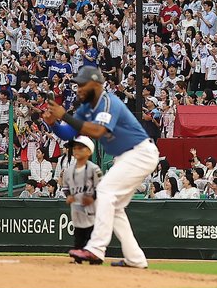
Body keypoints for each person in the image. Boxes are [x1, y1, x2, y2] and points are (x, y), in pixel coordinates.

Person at [43, 65, 159, 268]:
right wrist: (54, 123)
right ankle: (136, 259)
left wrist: (64, 115)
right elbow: (70, 134)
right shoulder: (86, 108)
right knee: (115, 208)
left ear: (96, 85)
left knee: (104, 191)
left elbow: (97, 131)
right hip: (126, 156)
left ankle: (95, 249)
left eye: (82, 84)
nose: (78, 88)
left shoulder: (108, 101)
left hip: (140, 152)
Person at [60, 135, 100, 252]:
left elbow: (101, 188)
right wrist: (68, 196)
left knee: (92, 238)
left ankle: (95, 259)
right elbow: (66, 187)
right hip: (77, 209)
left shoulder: (94, 169)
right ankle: (78, 260)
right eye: (75, 148)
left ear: (89, 151)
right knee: (78, 237)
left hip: (92, 210)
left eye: (80, 148)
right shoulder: (68, 171)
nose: (76, 150)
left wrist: (92, 198)